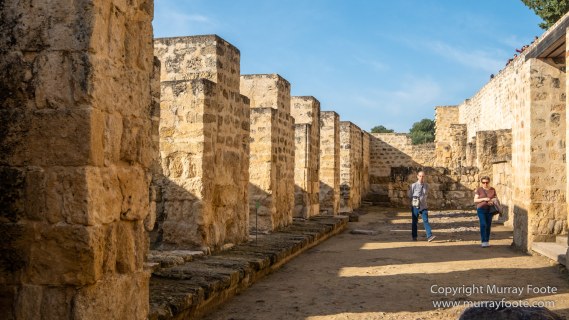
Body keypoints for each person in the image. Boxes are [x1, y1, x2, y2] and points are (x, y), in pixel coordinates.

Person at [408, 171, 436, 242]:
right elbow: (410, 195)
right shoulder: (413, 185)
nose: (421, 177)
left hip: (424, 206)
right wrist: (415, 200)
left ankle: (429, 236)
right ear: (417, 176)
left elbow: (426, 194)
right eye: (420, 176)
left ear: (424, 177)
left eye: (423, 176)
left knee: (426, 220)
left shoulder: (426, 185)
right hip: (415, 206)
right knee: (414, 222)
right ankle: (414, 237)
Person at [473, 176, 498, 248]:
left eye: (487, 182)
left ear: (489, 182)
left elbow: (496, 199)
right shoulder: (479, 190)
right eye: (483, 182)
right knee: (483, 224)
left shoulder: (492, 189)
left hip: (490, 210)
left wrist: (492, 201)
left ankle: (487, 241)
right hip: (481, 209)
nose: (485, 184)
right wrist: (484, 199)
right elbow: (475, 200)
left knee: (488, 225)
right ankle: (483, 241)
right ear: (481, 183)